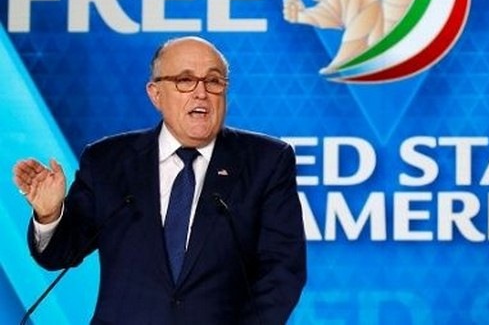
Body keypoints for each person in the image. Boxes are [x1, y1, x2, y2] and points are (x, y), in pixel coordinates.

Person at [12, 36, 306, 324]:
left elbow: (283, 270)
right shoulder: (107, 161)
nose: (201, 93)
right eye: (185, 80)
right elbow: (61, 254)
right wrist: (49, 215)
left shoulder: (267, 161)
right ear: (155, 94)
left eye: (214, 81)